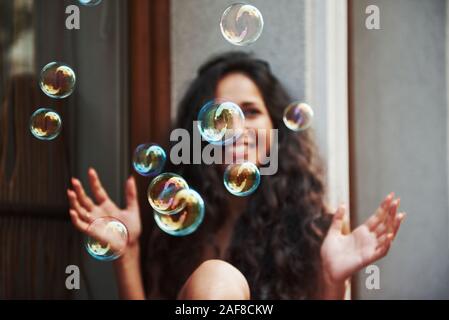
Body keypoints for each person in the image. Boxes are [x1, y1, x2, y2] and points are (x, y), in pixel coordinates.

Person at [66, 51, 406, 300]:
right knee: (216, 277)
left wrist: (333, 281)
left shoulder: (317, 229)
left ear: (276, 129)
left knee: (216, 277)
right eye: (220, 117)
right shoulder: (175, 235)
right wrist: (127, 253)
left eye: (251, 111)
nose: (236, 128)